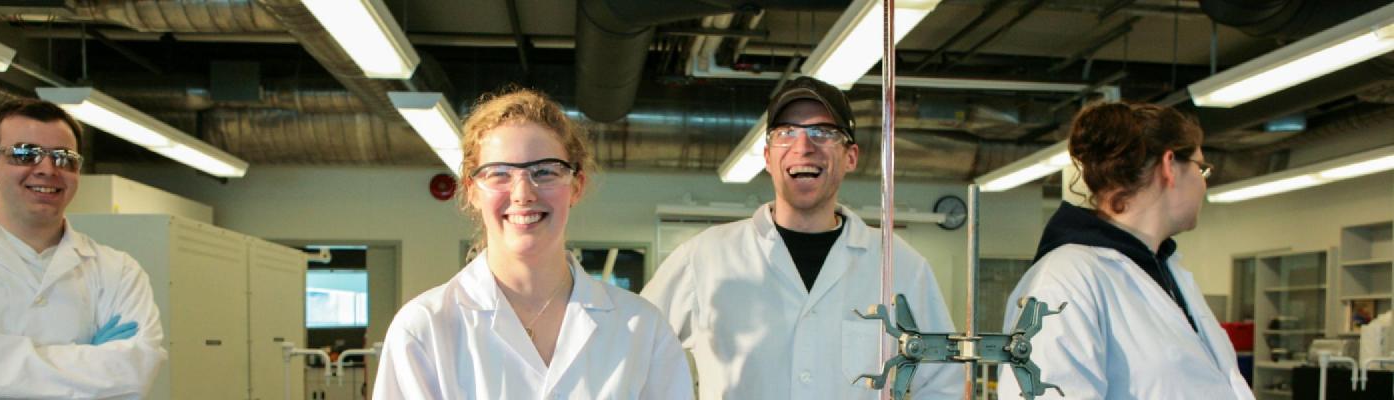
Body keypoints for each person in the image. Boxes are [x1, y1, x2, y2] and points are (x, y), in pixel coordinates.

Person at [641, 76, 964, 399]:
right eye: (786, 133)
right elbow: (634, 350)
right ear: (767, 157)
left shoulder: (898, 264)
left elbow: (943, 383)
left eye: (823, 132)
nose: (803, 147)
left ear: (851, 157)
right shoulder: (704, 258)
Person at [372, 89, 693, 399]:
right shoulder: (425, 328)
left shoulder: (642, 328)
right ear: (472, 190)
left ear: (576, 185)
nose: (523, 193)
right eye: (499, 173)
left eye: (545, 172)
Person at [996, 102, 1252, 399]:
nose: (1203, 184)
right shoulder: (1064, 281)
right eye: (1201, 168)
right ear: (1169, 166)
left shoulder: (1165, 271)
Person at [0, 99, 166, 398]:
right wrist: (94, 362)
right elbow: (116, 377)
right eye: (25, 154)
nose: (47, 169)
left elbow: (134, 374)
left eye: (64, 158)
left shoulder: (119, 271)